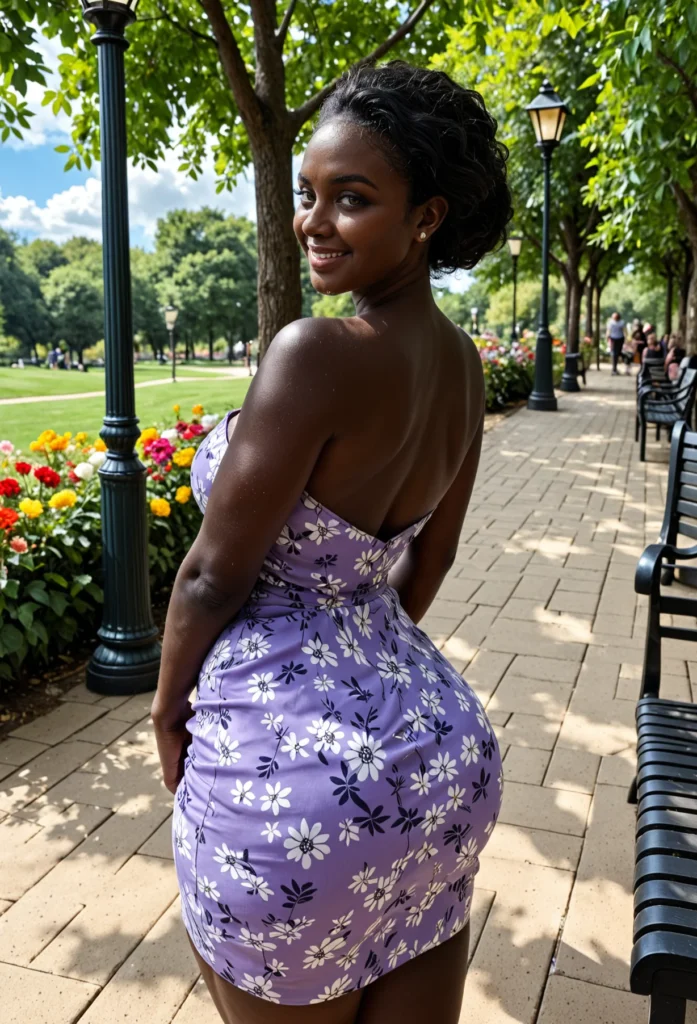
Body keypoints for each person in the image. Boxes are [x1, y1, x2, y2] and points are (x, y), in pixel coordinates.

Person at [152, 60, 509, 1023]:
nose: (313, 220)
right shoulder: (463, 367)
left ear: (424, 217)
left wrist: (166, 716)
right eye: (308, 194)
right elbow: (422, 566)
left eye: (351, 199)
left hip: (292, 791)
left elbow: (210, 579)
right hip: (441, 758)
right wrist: (364, 662)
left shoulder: (316, 354)